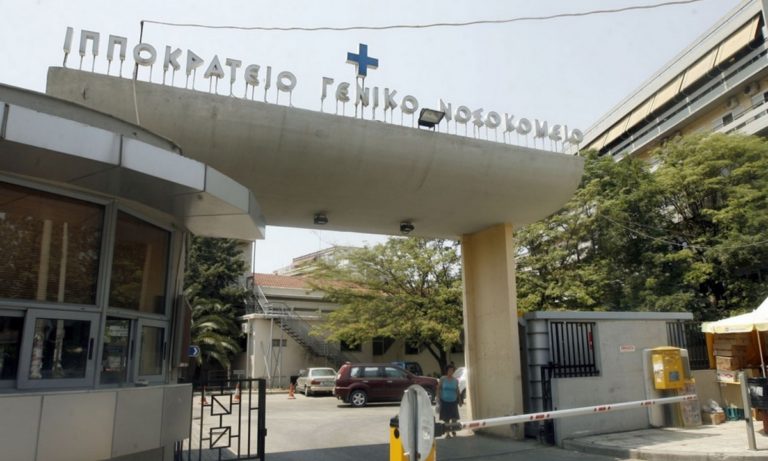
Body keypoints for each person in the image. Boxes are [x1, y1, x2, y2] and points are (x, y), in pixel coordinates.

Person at [436, 363, 463, 437]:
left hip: (453, 401)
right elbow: (438, 388)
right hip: (444, 401)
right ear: (447, 371)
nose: (451, 372)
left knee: (454, 418)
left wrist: (460, 400)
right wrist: (438, 398)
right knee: (446, 418)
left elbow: (457, 390)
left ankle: (453, 429)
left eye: (452, 370)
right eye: (449, 370)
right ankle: (448, 433)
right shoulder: (443, 379)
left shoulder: (455, 380)